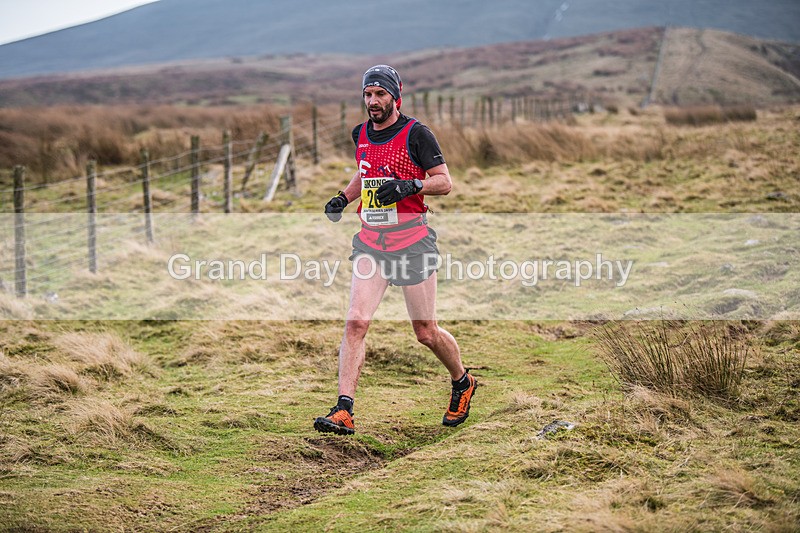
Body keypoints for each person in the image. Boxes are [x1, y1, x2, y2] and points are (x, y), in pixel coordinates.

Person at [314, 64, 477, 436]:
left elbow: (444, 182)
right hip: (371, 243)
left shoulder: (417, 133)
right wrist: (343, 197)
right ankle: (344, 410)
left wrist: (408, 187)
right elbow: (364, 170)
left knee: (425, 332)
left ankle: (462, 381)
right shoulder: (362, 133)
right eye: (368, 95)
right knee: (356, 321)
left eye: (380, 95)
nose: (372, 102)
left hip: (412, 243)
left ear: (395, 97)